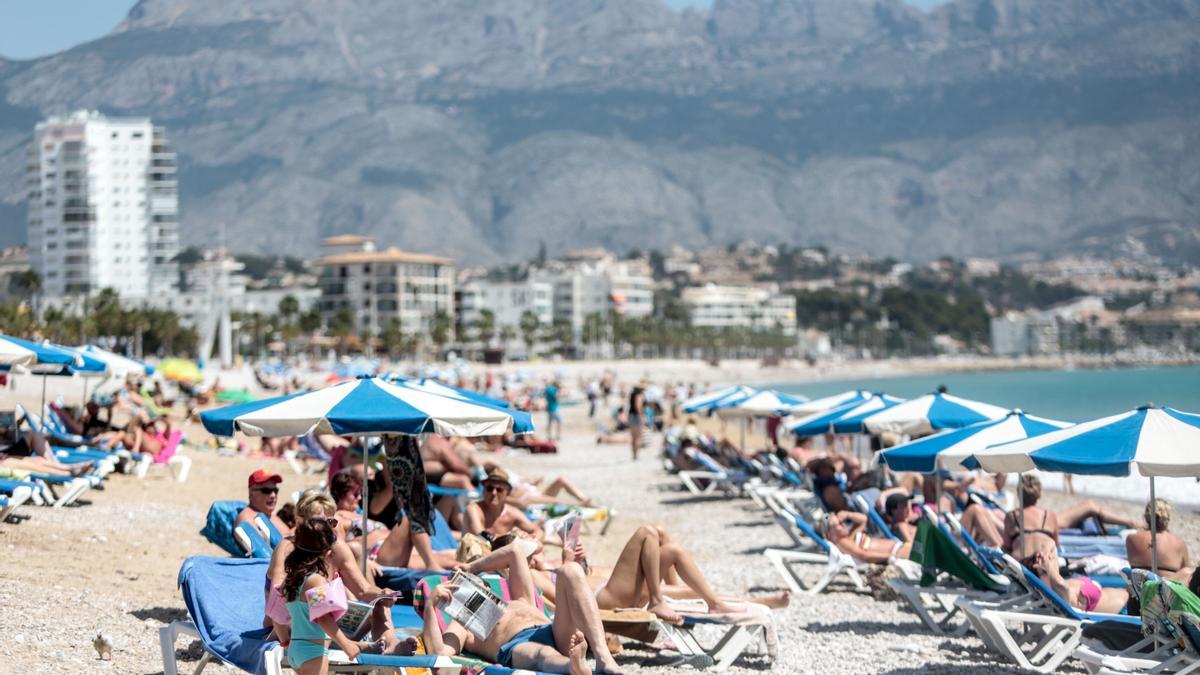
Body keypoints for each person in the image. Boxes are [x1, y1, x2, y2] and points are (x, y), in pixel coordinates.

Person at [422, 542, 624, 675]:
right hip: (515, 644)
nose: (477, 585)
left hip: (551, 630)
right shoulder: (464, 622)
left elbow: (514, 551)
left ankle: (602, 657)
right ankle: (573, 666)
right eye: (469, 584)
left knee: (570, 570)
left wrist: (471, 568)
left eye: (478, 582)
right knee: (542, 655)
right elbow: (440, 652)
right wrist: (431, 606)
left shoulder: (520, 598)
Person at [266, 491, 407, 653]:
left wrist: (382, 593)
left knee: (379, 603)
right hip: (290, 626)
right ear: (299, 522)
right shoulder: (286, 549)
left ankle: (390, 643)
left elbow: (363, 590)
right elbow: (277, 600)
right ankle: (358, 646)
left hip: (326, 624)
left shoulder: (337, 548)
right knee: (321, 612)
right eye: (319, 523)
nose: (326, 529)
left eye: (331, 522)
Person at [267, 518, 414, 674]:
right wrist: (346, 644)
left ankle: (364, 646)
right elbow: (323, 618)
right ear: (327, 552)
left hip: (297, 649)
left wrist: (285, 642)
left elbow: (276, 617)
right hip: (313, 651)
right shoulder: (316, 580)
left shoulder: (291, 579)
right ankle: (360, 645)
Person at [1003, 475, 1139, 560]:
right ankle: (1131, 522)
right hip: (1042, 563)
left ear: (1018, 493)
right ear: (1038, 495)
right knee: (1089, 505)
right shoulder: (1049, 516)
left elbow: (1007, 546)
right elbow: (1056, 544)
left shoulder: (1011, 516)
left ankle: (1131, 522)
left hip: (1019, 563)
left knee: (1089, 506)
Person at [1026, 550, 1127, 613]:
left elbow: (1049, 544)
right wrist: (1049, 568)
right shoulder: (1059, 591)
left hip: (1130, 596)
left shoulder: (1059, 582)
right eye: (1043, 571)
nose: (1049, 563)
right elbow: (1061, 585)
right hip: (1127, 610)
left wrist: (1048, 561)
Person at [1125, 498, 1193, 583]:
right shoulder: (1179, 543)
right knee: (1188, 571)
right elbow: (1186, 572)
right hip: (1166, 591)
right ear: (1167, 518)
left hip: (1140, 589)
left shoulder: (1131, 538)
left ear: (1146, 517)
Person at [465, 468, 543, 540]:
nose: (494, 493)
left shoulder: (511, 513)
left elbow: (538, 531)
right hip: (476, 552)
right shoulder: (474, 509)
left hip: (498, 551)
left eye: (499, 490)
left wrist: (530, 539)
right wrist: (511, 536)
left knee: (537, 550)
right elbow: (480, 535)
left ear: (507, 493)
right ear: (483, 490)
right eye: (489, 488)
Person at [824, 511, 912, 563]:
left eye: (842, 521)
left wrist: (848, 515)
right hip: (896, 552)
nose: (843, 524)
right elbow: (864, 555)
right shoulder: (843, 542)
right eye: (838, 524)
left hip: (899, 547)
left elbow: (863, 520)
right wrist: (892, 556)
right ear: (831, 535)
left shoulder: (850, 536)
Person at [236, 469, 292, 535]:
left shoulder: (270, 516)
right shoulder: (247, 519)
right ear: (251, 493)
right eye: (266, 490)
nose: (273, 495)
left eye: (275, 490)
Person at [627, 383, 645, 461]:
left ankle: (634, 455)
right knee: (638, 437)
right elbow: (638, 406)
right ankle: (636, 455)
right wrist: (642, 416)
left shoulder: (632, 394)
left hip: (631, 415)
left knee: (633, 437)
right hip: (637, 416)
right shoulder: (639, 395)